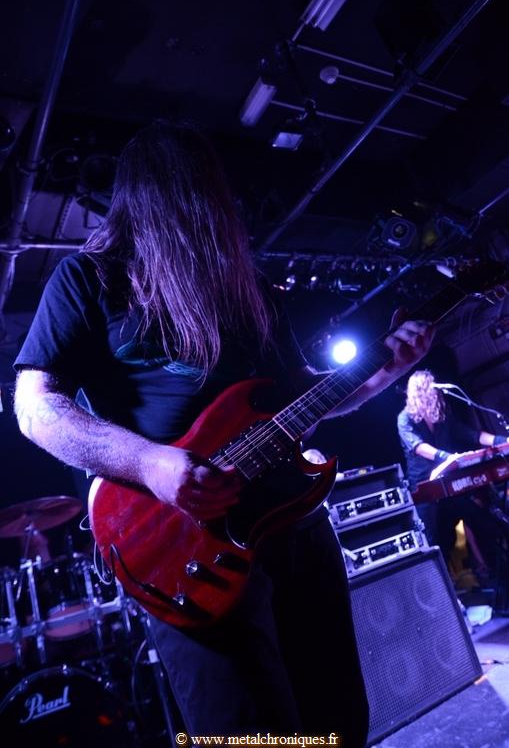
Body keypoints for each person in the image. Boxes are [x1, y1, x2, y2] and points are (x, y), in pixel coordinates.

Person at [13, 120, 433, 748]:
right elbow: (36, 406)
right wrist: (152, 463)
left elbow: (299, 398)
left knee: (338, 722)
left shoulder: (251, 288)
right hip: (181, 545)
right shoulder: (89, 279)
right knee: (247, 735)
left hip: (293, 524)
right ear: (148, 197)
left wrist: (382, 371)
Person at [397, 369, 507, 579]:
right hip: (424, 487)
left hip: (448, 481)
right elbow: (418, 447)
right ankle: (438, 586)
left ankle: (495, 571)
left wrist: (501, 441)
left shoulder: (442, 417)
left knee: (483, 522)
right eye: (431, 387)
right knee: (432, 539)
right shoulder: (404, 418)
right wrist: (447, 457)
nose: (436, 391)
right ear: (421, 390)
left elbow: (472, 434)